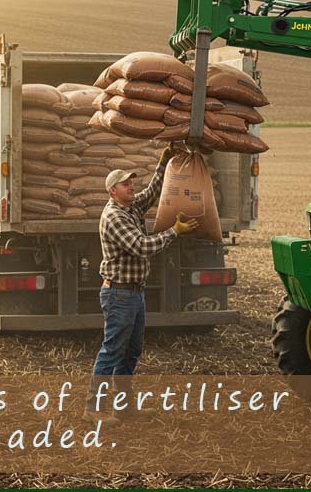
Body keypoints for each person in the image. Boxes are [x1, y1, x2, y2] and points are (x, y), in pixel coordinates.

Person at [84, 144, 198, 419]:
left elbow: (152, 193)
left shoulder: (131, 207)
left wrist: (163, 163)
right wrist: (174, 231)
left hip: (134, 294)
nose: (132, 187)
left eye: (131, 182)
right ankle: (94, 408)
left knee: (131, 351)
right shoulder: (114, 216)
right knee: (112, 351)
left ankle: (123, 408)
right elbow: (142, 246)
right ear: (113, 191)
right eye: (126, 184)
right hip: (119, 295)